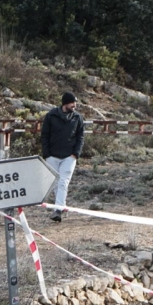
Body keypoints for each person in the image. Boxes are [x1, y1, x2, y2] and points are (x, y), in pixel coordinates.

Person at [41, 92, 86, 222]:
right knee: (56, 182)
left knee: (63, 182)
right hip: (52, 156)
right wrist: (47, 154)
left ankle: (58, 210)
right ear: (66, 103)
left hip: (69, 157)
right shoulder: (51, 116)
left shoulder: (78, 118)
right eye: (73, 102)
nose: (75, 105)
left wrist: (75, 154)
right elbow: (45, 135)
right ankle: (59, 206)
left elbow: (80, 137)